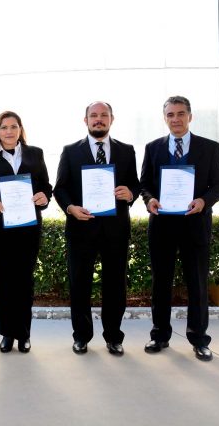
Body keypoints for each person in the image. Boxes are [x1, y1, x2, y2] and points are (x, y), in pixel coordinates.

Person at [140, 96, 219, 361]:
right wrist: (149, 199)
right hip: (163, 227)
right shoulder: (153, 148)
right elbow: (144, 184)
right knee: (161, 284)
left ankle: (199, 339)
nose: (175, 119)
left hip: (196, 226)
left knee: (197, 285)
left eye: (180, 114)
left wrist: (204, 201)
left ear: (190, 116)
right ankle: (160, 335)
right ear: (164, 117)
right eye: (170, 115)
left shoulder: (209, 148)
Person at [54, 101, 139, 356]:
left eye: (104, 115)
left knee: (115, 285)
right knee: (79, 285)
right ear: (86, 120)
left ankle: (114, 337)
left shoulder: (126, 151)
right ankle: (81, 336)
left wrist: (130, 193)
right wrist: (70, 208)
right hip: (81, 228)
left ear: (112, 119)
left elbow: (135, 183)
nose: (98, 119)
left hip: (115, 230)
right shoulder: (70, 151)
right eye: (94, 116)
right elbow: (60, 188)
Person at [0, 111, 52, 354]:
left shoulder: (35, 154)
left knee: (24, 281)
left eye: (13, 126)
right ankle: (7, 334)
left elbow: (46, 187)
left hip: (29, 227)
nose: (9, 131)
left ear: (20, 129)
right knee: (4, 281)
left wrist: (44, 197)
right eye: (4, 127)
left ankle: (24, 334)